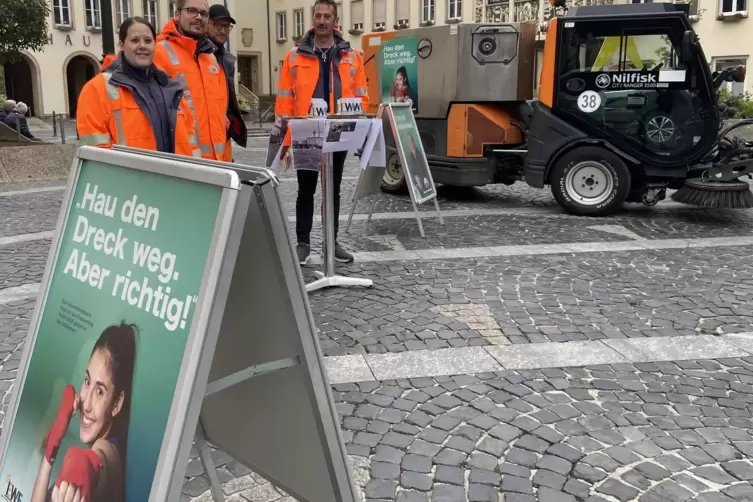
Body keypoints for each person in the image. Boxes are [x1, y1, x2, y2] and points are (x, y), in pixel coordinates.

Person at [276, 0, 369, 265]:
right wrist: (285, 139)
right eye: (318, 15)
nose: (322, 20)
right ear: (312, 19)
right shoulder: (294, 55)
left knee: (333, 190)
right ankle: (303, 243)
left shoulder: (352, 55)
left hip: (339, 131)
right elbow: (284, 100)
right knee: (306, 190)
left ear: (335, 20)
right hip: (307, 131)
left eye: (327, 16)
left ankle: (331, 241)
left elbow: (362, 95)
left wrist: (356, 126)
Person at [31, 323, 138, 502]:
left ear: (117, 403)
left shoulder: (105, 453)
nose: (86, 404)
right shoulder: (114, 448)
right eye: (87, 381)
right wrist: (52, 448)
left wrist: (82, 465)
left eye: (99, 391)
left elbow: (96, 463)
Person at [76, 17, 201, 157]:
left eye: (148, 41)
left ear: (155, 45)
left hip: (175, 176)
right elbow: (96, 153)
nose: (142, 46)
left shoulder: (171, 88)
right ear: (122, 45)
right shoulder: (97, 89)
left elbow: (191, 142)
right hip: (130, 178)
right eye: (135, 40)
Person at [154, 0, 229, 161]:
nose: (198, 17)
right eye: (192, 11)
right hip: (183, 161)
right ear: (177, 14)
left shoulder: (210, 58)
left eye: (203, 14)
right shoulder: (159, 52)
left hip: (217, 161)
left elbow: (220, 114)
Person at [206, 4, 247, 162]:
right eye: (218, 25)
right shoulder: (202, 54)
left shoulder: (225, 58)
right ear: (207, 23)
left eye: (227, 26)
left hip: (223, 135)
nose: (223, 30)